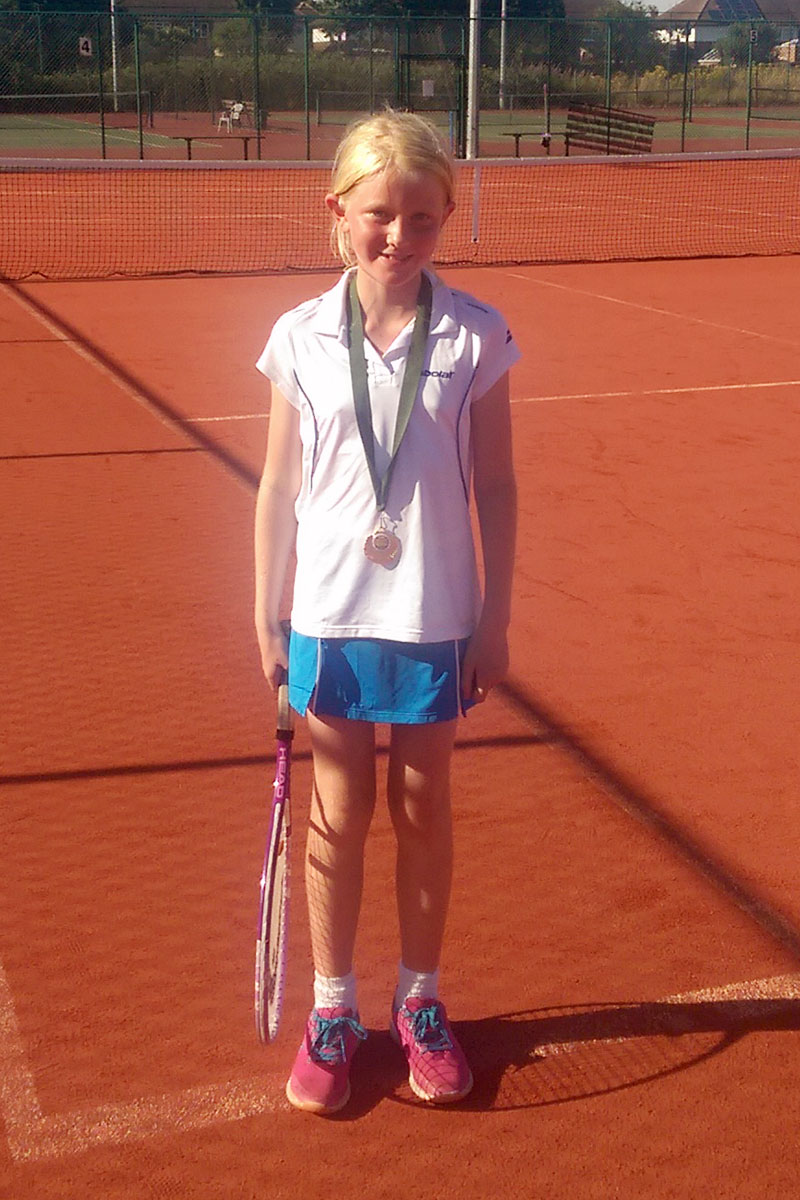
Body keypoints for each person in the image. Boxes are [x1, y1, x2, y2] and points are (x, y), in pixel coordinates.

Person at [254, 109, 519, 1116]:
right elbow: (279, 487)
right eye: (378, 214)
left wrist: (494, 618)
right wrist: (266, 614)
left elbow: (497, 486)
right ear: (337, 212)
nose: (399, 237)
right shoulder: (298, 336)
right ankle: (332, 1009)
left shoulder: (474, 334)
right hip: (328, 613)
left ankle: (419, 1001)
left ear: (445, 218)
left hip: (434, 614)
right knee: (339, 808)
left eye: (421, 219)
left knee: (420, 805)